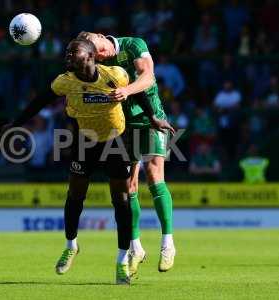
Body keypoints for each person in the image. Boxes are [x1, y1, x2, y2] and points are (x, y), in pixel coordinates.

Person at [4, 38, 162, 285]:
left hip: (115, 142)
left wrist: (153, 117)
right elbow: (39, 101)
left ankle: (121, 262)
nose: (67, 54)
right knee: (75, 195)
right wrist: (16, 123)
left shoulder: (115, 75)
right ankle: (71, 245)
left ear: (89, 56)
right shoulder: (65, 81)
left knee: (121, 202)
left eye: (73, 51)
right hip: (84, 143)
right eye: (67, 51)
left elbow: (138, 95)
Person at [77, 32, 176, 275]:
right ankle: (136, 247)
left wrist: (127, 91)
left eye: (98, 49)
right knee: (128, 186)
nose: (99, 55)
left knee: (154, 175)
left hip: (151, 117)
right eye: (94, 54)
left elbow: (148, 76)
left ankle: (168, 243)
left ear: (102, 37)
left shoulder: (133, 45)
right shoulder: (96, 63)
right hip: (123, 124)